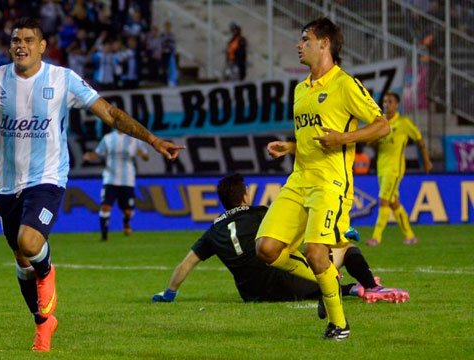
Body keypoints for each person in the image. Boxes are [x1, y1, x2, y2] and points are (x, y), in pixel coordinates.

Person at [0, 17, 184, 353]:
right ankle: (43, 323)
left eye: (28, 39)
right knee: (21, 263)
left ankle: (48, 268)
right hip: (8, 183)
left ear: (43, 46)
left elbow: (110, 114)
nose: (20, 45)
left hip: (48, 177)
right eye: (15, 40)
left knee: (30, 243)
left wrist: (153, 139)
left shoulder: (63, 79)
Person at [254, 18, 390, 340]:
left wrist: (343, 139)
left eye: (305, 39)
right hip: (299, 178)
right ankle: (329, 280)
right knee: (266, 249)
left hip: (331, 183)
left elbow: (382, 125)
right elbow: (310, 137)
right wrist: (290, 145)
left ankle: (339, 325)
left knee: (316, 252)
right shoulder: (301, 89)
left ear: (325, 43)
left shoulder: (344, 84)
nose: (299, 45)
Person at [152, 174, 409, 306]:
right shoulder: (261, 213)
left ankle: (352, 289)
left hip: (253, 295)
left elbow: (185, 265)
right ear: (244, 196)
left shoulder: (213, 231)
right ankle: (368, 285)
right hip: (292, 284)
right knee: (344, 248)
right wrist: (340, 229)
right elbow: (307, 225)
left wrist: (169, 293)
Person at [367, 92, 432, 246]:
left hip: (394, 169)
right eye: (384, 101)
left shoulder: (404, 123)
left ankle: (376, 238)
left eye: (390, 101)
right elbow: (371, 143)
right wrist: (373, 140)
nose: (386, 104)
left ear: (397, 104)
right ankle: (410, 236)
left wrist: (427, 161)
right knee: (393, 202)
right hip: (381, 167)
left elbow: (420, 141)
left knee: (383, 200)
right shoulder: (380, 122)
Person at [83, 129, 150, 241]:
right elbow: (98, 153)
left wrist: (142, 154)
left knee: (128, 211)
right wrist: (90, 156)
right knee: (105, 207)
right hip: (110, 178)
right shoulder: (108, 138)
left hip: (127, 180)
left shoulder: (134, 139)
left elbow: (146, 157)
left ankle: (126, 222)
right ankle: (104, 235)